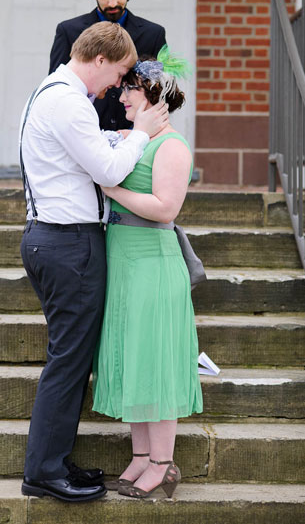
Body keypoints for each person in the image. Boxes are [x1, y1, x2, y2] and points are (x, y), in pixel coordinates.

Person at [18, 21, 169, 503]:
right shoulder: (66, 99)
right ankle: (43, 471)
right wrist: (141, 134)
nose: (114, 87)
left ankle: (54, 461)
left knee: (72, 359)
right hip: (68, 244)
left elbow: (89, 154)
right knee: (68, 362)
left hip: (56, 240)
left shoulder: (53, 92)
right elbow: (107, 170)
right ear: (100, 59)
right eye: (118, 72)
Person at [92, 47, 203, 499]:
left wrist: (112, 188)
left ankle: (162, 464)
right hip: (124, 262)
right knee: (135, 359)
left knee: (156, 363)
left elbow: (165, 209)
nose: (121, 97)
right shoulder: (135, 137)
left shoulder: (172, 146)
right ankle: (140, 457)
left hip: (153, 265)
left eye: (130, 91)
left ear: (154, 96)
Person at [49, 0, 167, 132]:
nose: (113, 2)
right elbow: (58, 89)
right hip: (85, 131)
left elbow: (160, 91)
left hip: (137, 131)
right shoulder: (68, 31)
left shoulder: (154, 34)